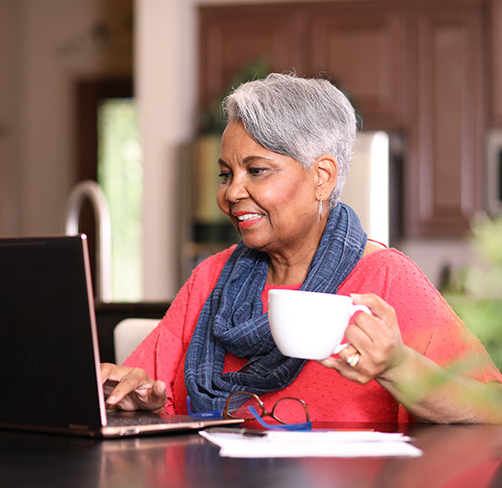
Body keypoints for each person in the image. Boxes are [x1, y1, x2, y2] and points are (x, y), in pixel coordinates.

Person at [101, 72, 502, 424]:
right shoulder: (211, 278)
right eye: (226, 174)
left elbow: (492, 406)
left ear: (322, 177)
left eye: (256, 171)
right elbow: (146, 390)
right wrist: (134, 400)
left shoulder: (385, 278)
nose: (232, 192)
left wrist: (397, 365)